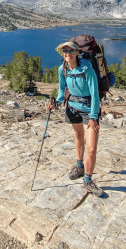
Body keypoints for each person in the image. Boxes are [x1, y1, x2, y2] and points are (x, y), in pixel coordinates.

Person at [46, 41, 103, 196]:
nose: (67, 54)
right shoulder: (62, 69)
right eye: (65, 51)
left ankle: (88, 180)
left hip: (88, 111)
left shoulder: (87, 70)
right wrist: (56, 103)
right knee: (78, 136)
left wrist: (93, 116)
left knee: (91, 147)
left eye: (71, 51)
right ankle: (79, 166)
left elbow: (95, 94)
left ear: (77, 52)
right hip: (72, 108)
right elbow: (61, 88)